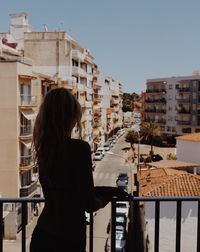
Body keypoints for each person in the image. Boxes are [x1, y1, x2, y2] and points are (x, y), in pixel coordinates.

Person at [30, 88, 128, 252]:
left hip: (43, 234)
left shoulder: (45, 150)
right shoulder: (79, 149)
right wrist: (108, 197)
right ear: (72, 117)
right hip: (69, 238)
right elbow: (89, 203)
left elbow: (66, 191)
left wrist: (107, 189)